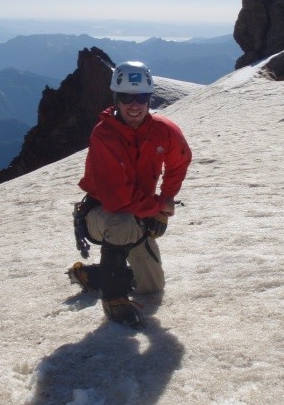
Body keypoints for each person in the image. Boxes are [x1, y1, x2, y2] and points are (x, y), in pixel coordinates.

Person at [68, 61, 192, 327]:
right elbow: (119, 199)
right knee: (123, 223)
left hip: (140, 214)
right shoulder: (104, 136)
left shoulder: (163, 130)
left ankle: (92, 276)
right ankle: (115, 300)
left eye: (141, 98)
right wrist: (159, 208)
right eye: (126, 97)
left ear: (149, 99)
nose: (134, 105)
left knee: (151, 287)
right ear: (116, 99)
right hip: (104, 214)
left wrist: (167, 198)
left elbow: (179, 160)